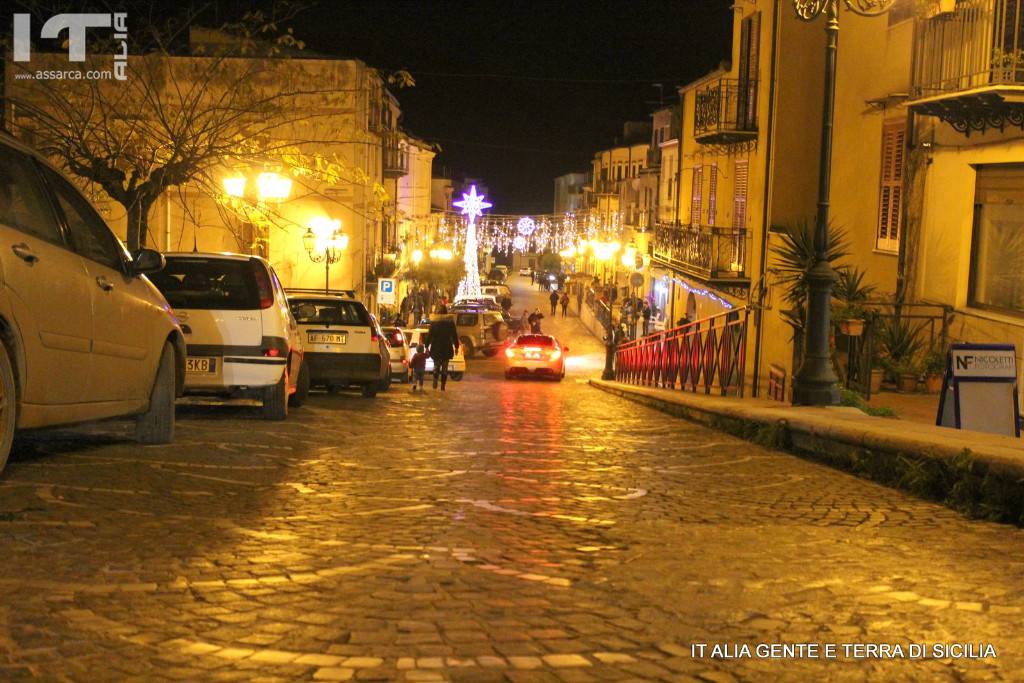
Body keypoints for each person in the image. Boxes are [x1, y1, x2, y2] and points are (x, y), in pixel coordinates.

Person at [425, 305, 460, 391]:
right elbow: (454, 335)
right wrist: (456, 346)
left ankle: (435, 378)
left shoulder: (434, 322)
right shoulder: (450, 322)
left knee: (436, 365)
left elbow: (430, 335)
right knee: (445, 368)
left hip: (436, 347)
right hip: (446, 347)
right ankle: (443, 386)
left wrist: (426, 346)